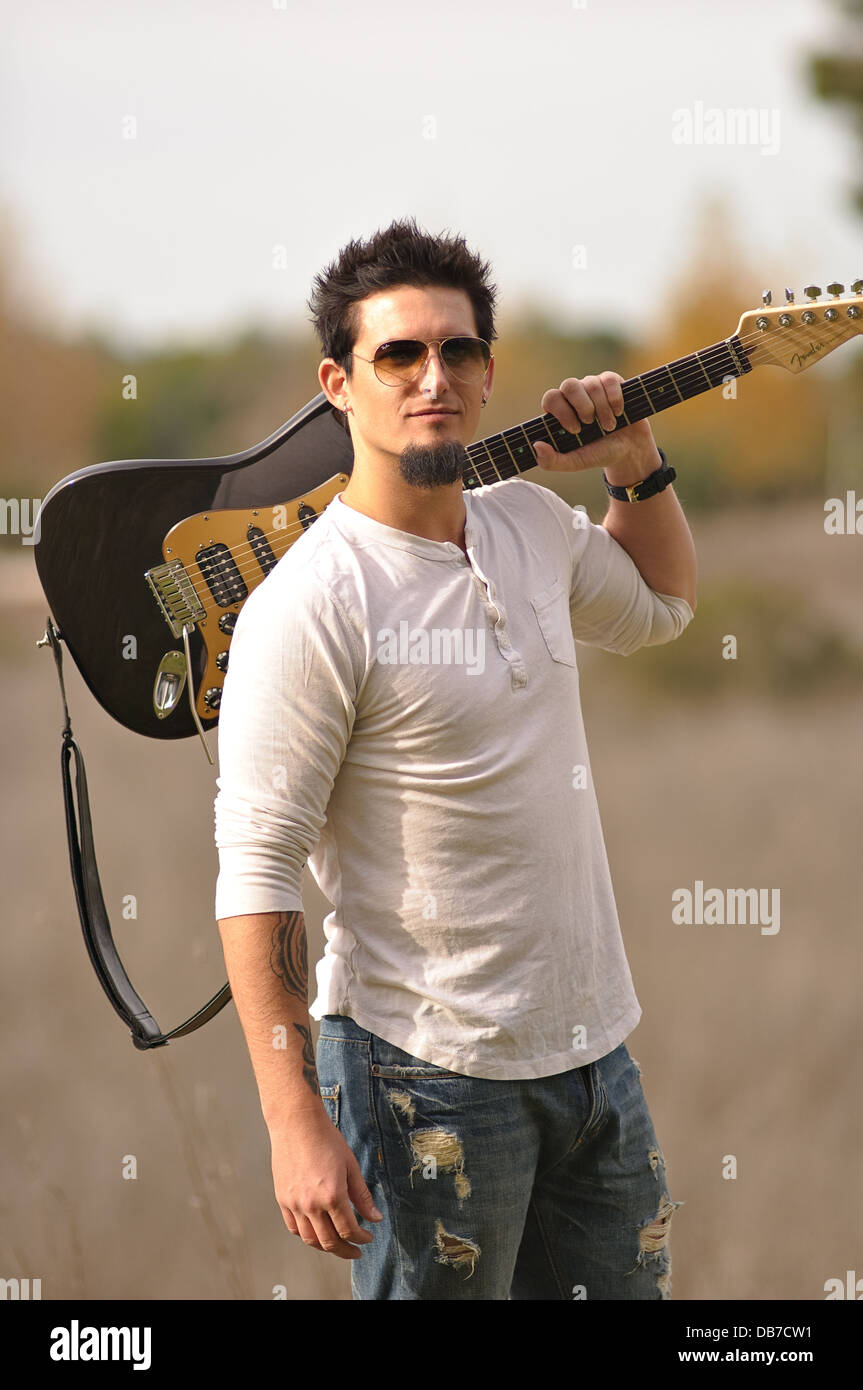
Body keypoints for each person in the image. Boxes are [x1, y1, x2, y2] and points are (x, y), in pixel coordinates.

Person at [214, 216, 696, 1301]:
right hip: (419, 1080)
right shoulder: (310, 603)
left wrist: (631, 459)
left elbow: (663, 607)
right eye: (399, 353)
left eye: (457, 350)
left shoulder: (529, 524)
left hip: (590, 1059)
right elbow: (255, 870)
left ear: (488, 372)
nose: (432, 376)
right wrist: (294, 1122)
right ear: (338, 382)